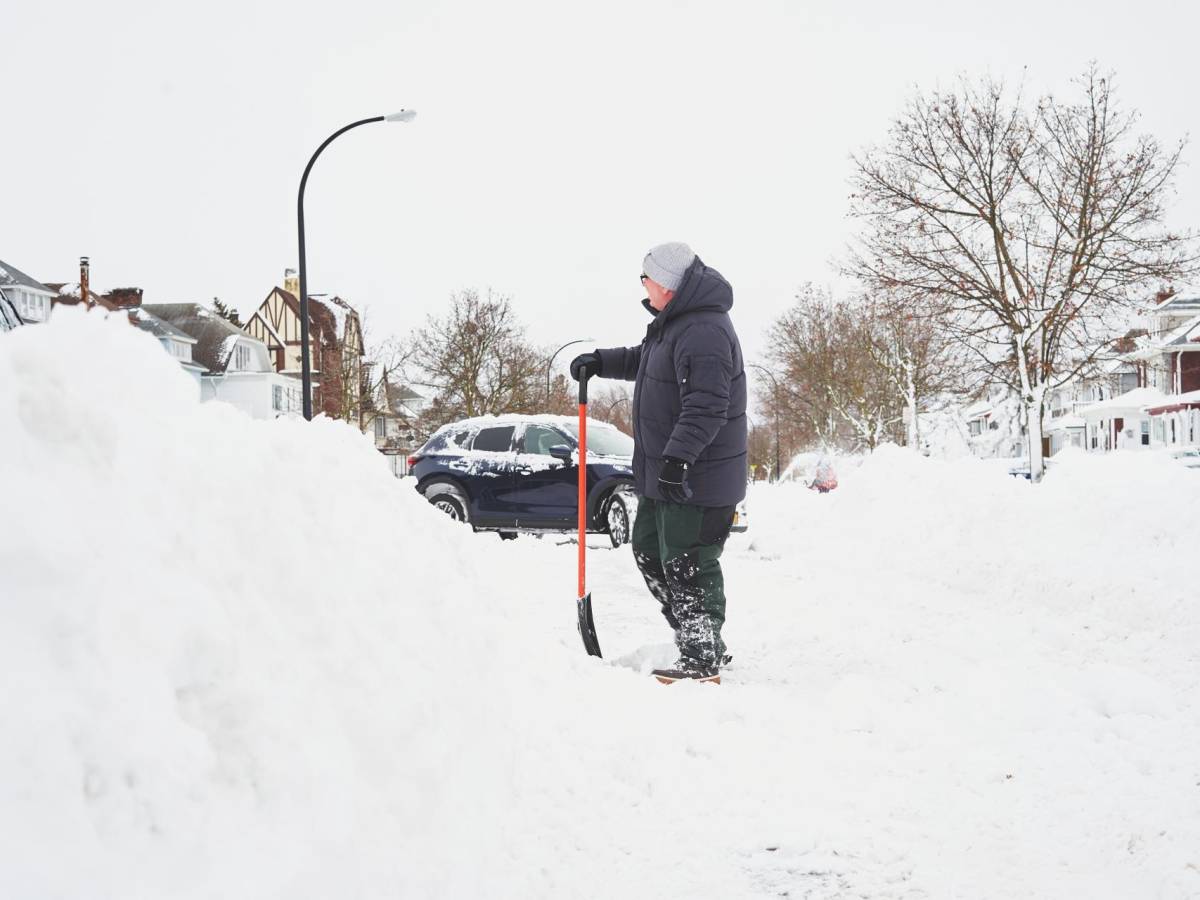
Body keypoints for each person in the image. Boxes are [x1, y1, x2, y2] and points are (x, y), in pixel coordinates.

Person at [570, 243, 747, 683]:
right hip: (666, 473)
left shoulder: (703, 331)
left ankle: (702, 654)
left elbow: (707, 405)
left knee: (687, 561)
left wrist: (678, 460)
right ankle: (694, 636)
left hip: (696, 477)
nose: (643, 286)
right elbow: (646, 363)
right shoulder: (674, 326)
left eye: (646, 278)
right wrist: (601, 361)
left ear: (666, 283)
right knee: (649, 551)